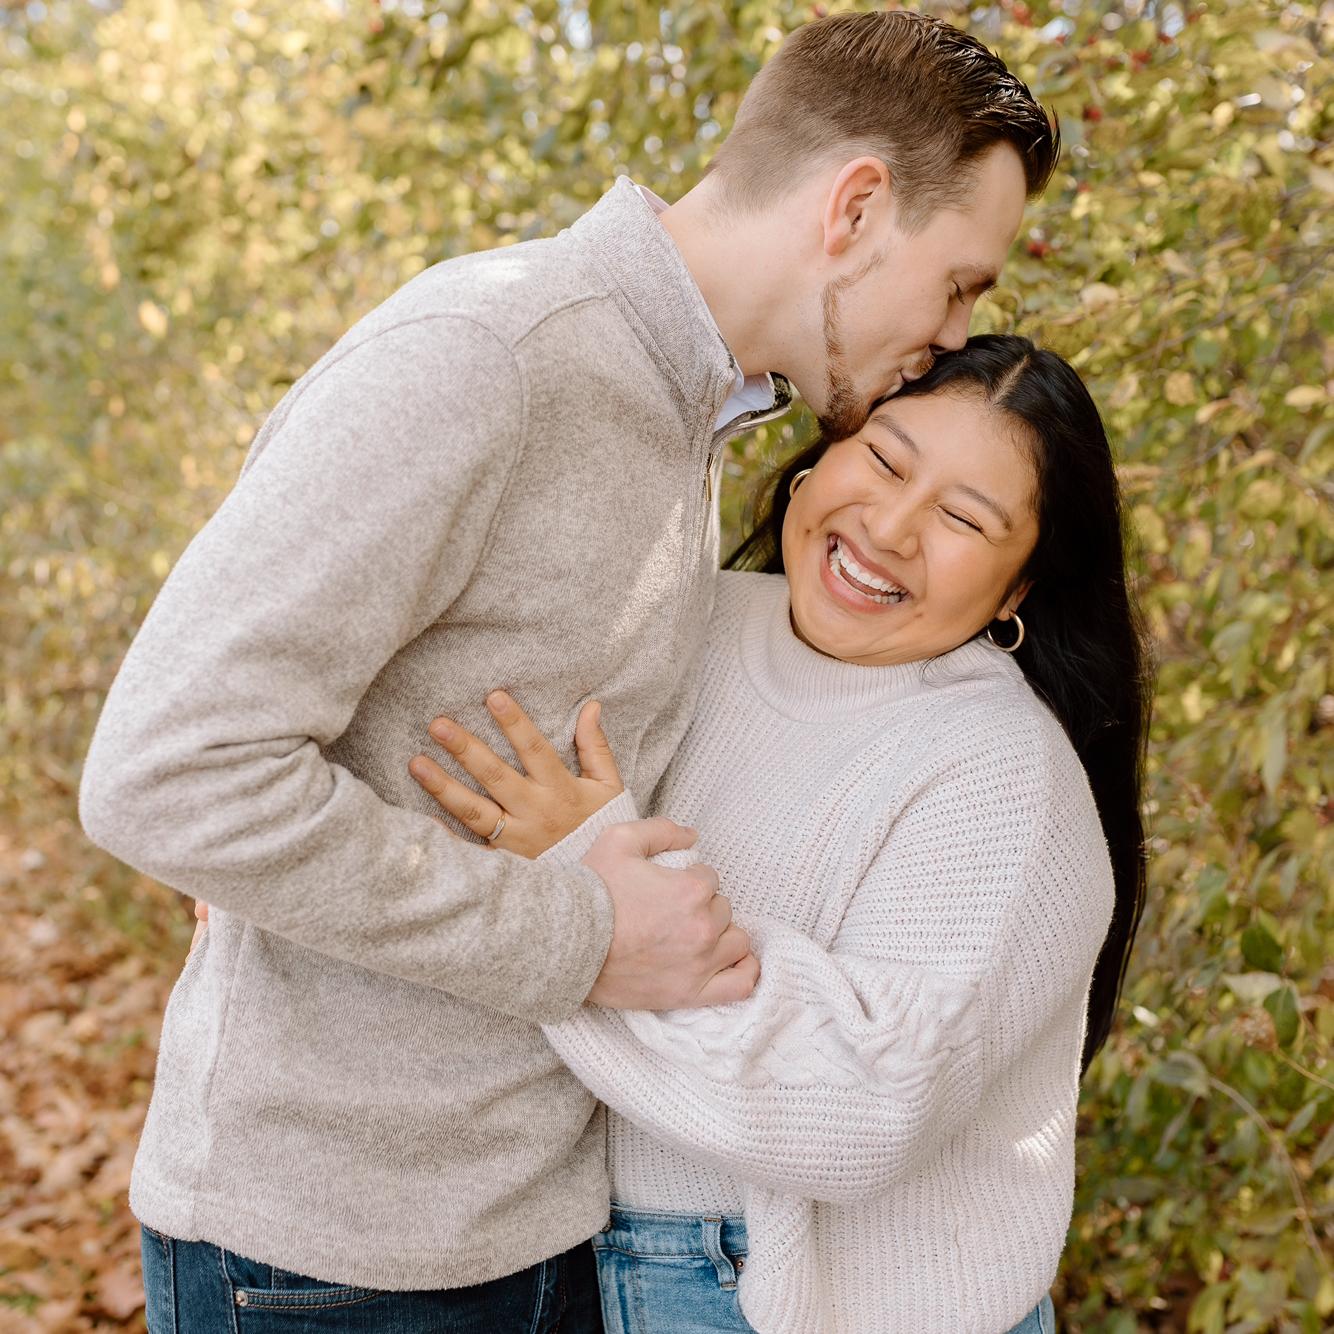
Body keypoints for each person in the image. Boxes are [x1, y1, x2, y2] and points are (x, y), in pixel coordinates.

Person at [78, 12, 1059, 1332]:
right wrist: (583, 938)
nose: (948, 336)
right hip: (331, 1260)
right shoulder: (490, 354)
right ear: (855, 208)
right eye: (956, 285)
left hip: (546, 1231)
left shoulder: (682, 410)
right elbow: (166, 771)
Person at [409, 334, 1150, 1334]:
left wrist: (593, 883)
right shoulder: (683, 622)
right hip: (569, 1258)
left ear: (1017, 590)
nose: (889, 526)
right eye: (884, 460)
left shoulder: (1002, 774)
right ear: (820, 456)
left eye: (964, 519)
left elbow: (864, 1108)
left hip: (834, 1303)